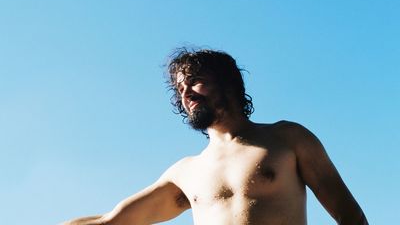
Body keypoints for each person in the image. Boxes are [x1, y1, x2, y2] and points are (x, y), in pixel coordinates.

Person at [63, 48, 368, 225]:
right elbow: (111, 222)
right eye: (181, 89)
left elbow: (349, 214)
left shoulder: (287, 138)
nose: (187, 94)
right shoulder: (185, 172)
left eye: (195, 82)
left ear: (228, 83)